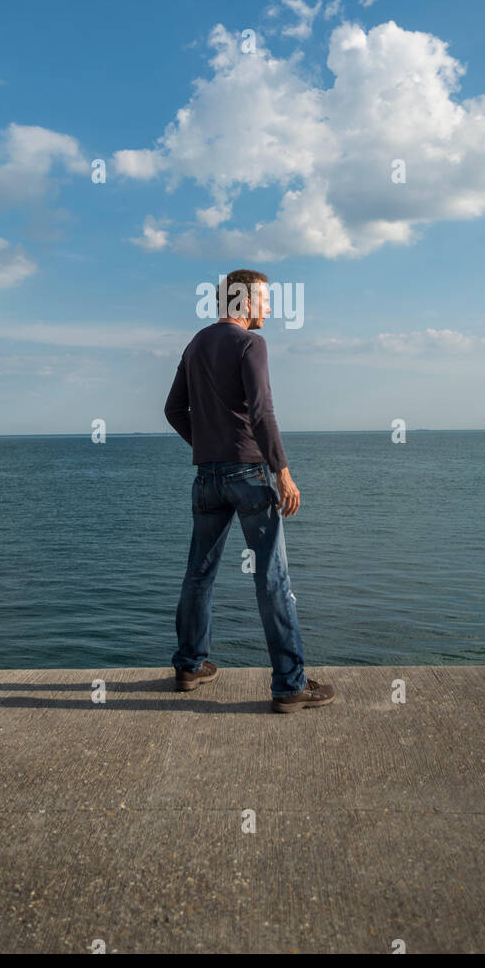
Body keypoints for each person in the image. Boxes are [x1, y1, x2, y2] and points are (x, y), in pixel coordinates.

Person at [164, 268, 335, 714]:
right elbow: (262, 412)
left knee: (199, 573)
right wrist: (282, 471)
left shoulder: (196, 343)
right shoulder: (250, 344)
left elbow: (172, 409)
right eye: (264, 300)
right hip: (249, 476)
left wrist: (208, 447)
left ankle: (189, 665)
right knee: (271, 578)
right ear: (242, 302)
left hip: (207, 477)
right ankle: (289, 686)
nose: (270, 308)